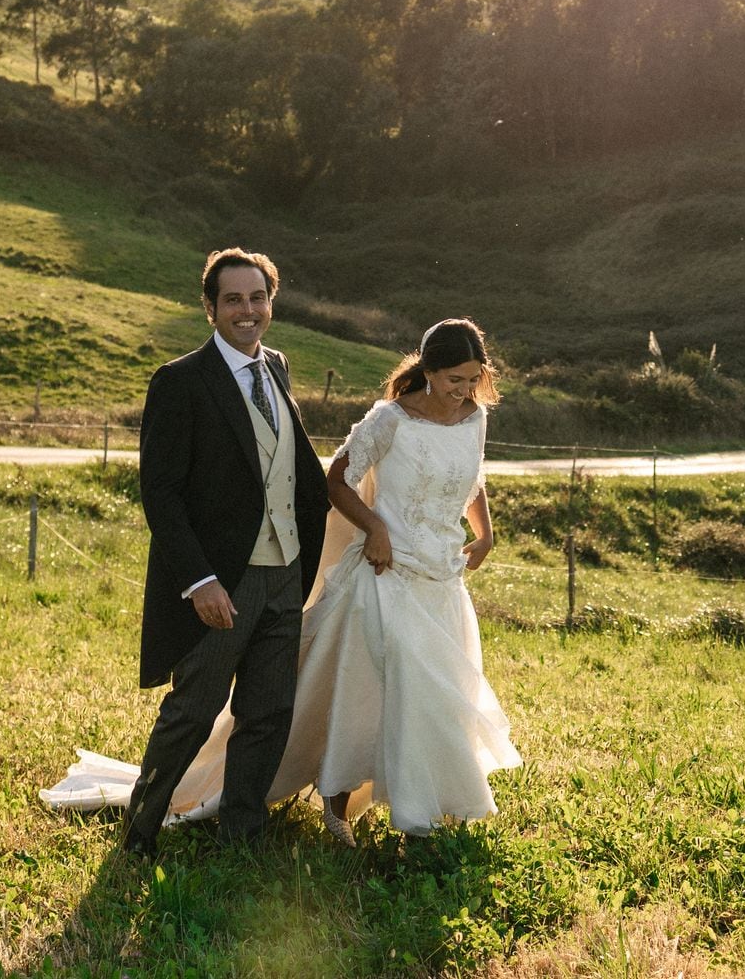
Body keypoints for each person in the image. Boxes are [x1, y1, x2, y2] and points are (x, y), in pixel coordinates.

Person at [40, 318, 521, 843]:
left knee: (436, 696)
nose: (464, 390)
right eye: (454, 379)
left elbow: (471, 476)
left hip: (442, 577)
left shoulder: (474, 416)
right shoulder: (391, 419)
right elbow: (337, 480)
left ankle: (424, 808)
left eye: (473, 379)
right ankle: (338, 801)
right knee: (383, 690)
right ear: (428, 371)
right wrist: (375, 527)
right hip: (387, 573)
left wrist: (485, 533)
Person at [112, 246, 329, 857]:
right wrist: (199, 579)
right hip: (222, 580)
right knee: (194, 710)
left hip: (286, 570)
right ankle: (140, 831)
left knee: (269, 711)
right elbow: (161, 492)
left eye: (257, 298)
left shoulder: (277, 367)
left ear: (271, 304)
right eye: (233, 299)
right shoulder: (180, 381)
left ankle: (242, 834)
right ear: (210, 308)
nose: (246, 310)